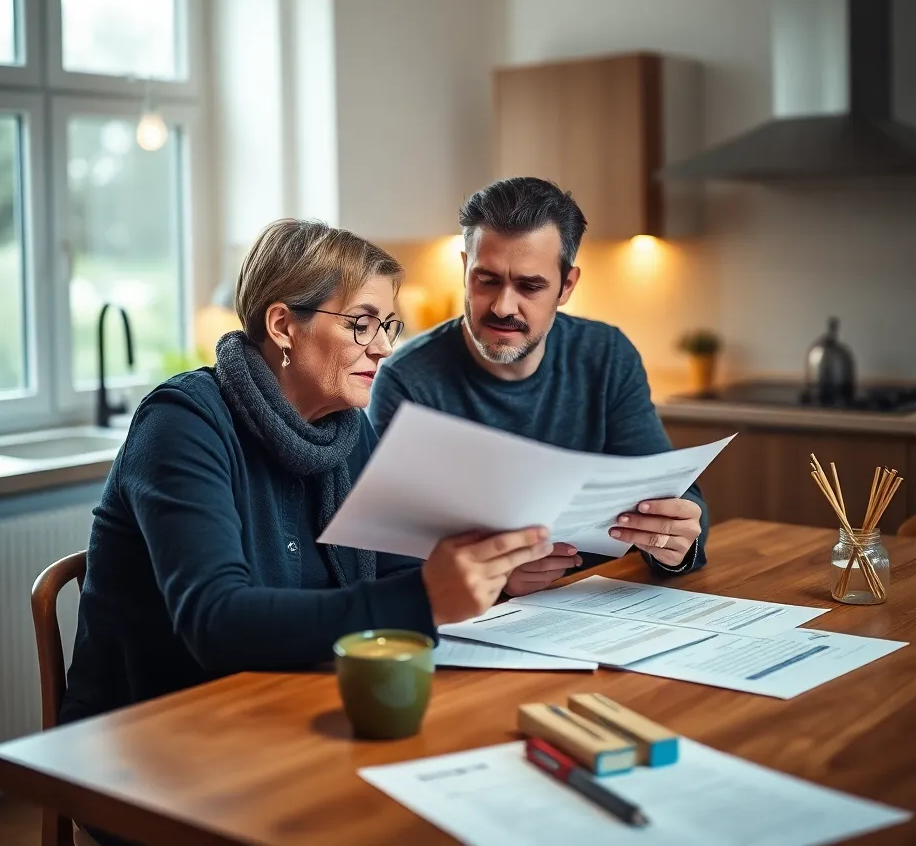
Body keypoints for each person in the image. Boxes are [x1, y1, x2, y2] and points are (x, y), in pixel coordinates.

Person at [60, 218, 551, 725]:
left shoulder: (348, 430)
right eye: (362, 322)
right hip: (157, 729)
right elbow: (216, 622)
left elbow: (399, 572)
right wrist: (425, 596)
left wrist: (485, 576)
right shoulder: (182, 423)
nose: (383, 347)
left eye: (388, 325)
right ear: (282, 326)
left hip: (293, 703)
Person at [368, 177, 708, 597]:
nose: (502, 307)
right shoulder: (404, 380)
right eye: (486, 280)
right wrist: (491, 579)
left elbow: (670, 492)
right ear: (464, 270)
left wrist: (674, 543)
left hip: (600, 601)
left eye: (529, 286)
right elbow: (382, 555)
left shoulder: (607, 355)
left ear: (567, 286)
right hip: (476, 625)